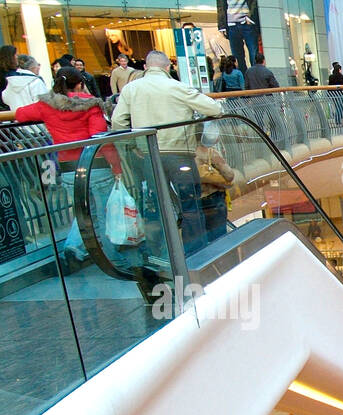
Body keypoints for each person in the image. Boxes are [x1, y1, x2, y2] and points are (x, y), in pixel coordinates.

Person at [111, 50, 223, 254]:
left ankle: (161, 252)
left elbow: (118, 122)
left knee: (157, 203)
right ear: (168, 67)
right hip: (180, 155)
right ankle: (194, 250)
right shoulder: (178, 87)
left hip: (148, 155)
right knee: (190, 204)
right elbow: (215, 109)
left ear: (145, 67)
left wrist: (134, 144)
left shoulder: (131, 89)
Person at [15, 67, 120, 268]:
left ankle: (74, 246)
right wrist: (116, 166)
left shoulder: (46, 105)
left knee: (83, 210)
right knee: (106, 211)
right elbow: (99, 136)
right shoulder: (90, 104)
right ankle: (112, 257)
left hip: (68, 167)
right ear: (80, 84)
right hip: (95, 164)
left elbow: (20, 114)